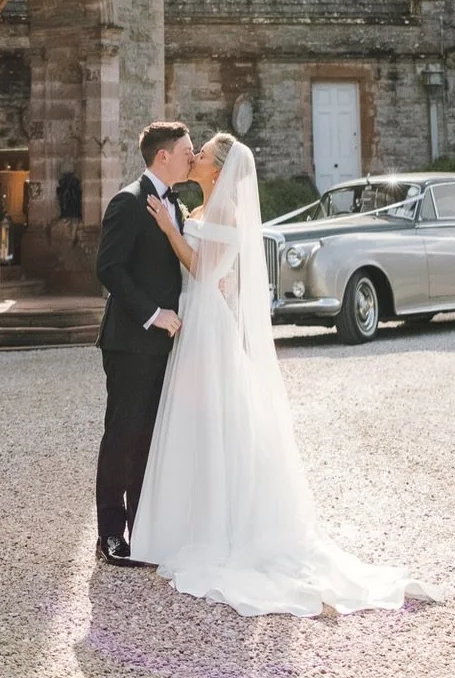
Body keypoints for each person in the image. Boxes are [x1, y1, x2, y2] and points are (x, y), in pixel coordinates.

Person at [130, 133, 437, 617]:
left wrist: (171, 231)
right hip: (196, 320)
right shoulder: (201, 209)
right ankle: (182, 523)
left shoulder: (226, 213)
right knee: (193, 424)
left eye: (203, 155)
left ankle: (218, 530)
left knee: (215, 423)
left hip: (209, 323)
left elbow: (205, 273)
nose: (196, 158)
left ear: (220, 169)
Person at [93, 119, 195, 564]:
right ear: (163, 156)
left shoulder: (180, 208)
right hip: (130, 343)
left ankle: (142, 527)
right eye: (188, 150)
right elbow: (109, 268)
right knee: (122, 435)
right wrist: (154, 315)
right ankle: (110, 535)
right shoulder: (128, 202)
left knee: (150, 439)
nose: (192, 158)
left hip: (165, 348)